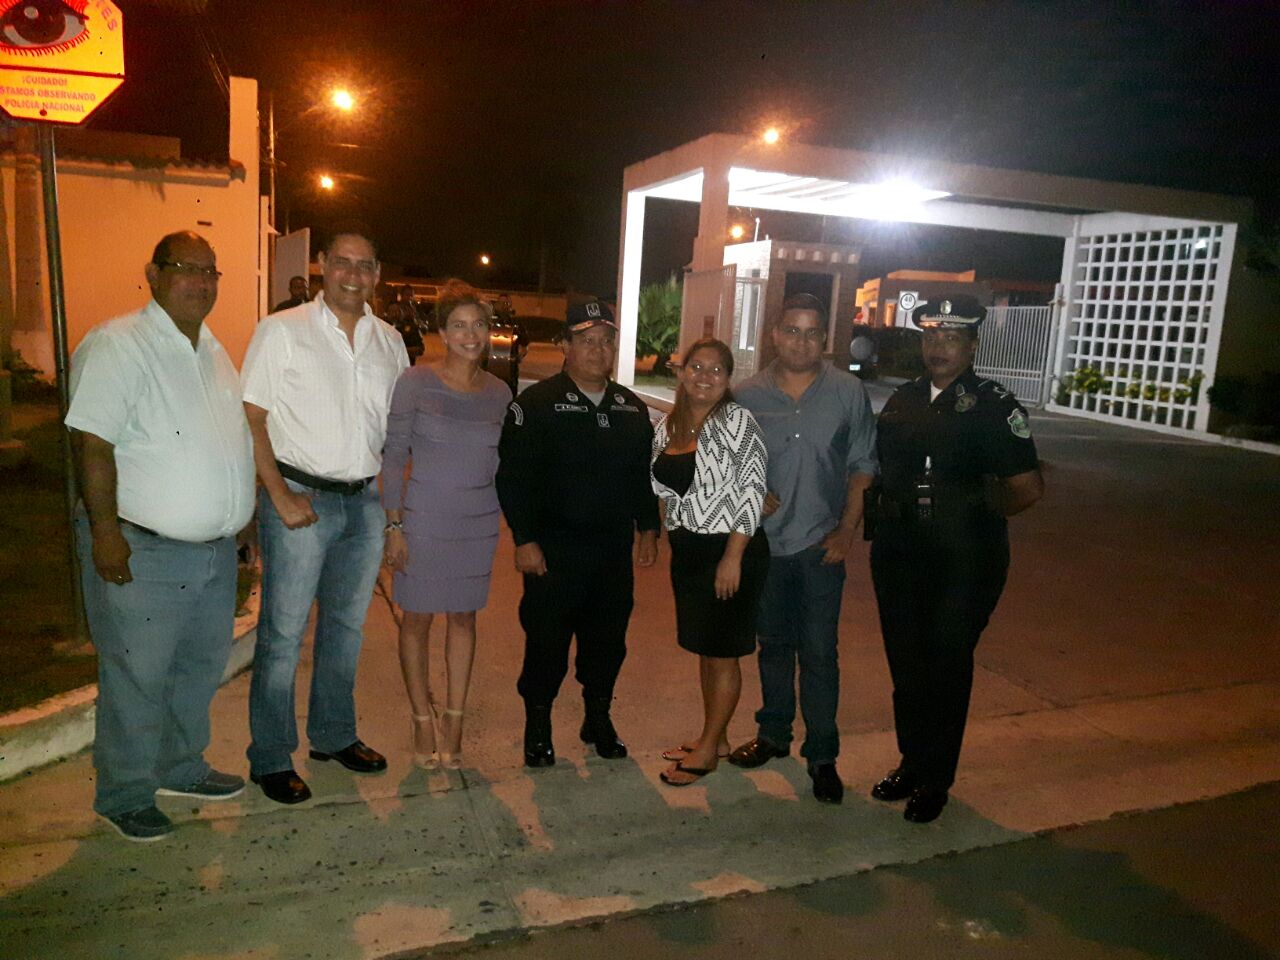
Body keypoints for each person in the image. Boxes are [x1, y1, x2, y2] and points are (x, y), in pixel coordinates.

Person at [66, 231, 255, 841]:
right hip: (142, 547)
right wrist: (104, 533)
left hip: (211, 553)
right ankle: (123, 793)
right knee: (136, 677)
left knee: (196, 671)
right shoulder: (119, 344)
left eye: (210, 271)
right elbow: (92, 444)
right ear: (153, 274)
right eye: (185, 268)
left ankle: (179, 767)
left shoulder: (212, 350)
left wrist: (239, 517)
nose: (201, 281)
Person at [240, 224, 409, 804]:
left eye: (364, 265)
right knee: (284, 634)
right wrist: (278, 496)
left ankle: (333, 735)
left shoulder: (390, 342)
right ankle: (270, 757)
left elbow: (397, 433)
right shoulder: (283, 330)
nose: (352, 275)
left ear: (377, 274)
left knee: (346, 629)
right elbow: (252, 416)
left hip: (363, 503)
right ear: (321, 264)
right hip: (300, 498)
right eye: (342, 262)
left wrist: (393, 512)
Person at [868, 295, 1043, 823]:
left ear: (972, 345)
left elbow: (1026, 488)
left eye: (950, 337)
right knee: (906, 664)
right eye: (930, 336)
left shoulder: (993, 405)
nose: (938, 346)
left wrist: (972, 518)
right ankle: (911, 762)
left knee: (945, 665)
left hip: (963, 559)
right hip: (899, 553)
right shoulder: (903, 399)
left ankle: (935, 779)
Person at [729, 293, 878, 805]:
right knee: (772, 646)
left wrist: (847, 531)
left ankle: (822, 755)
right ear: (775, 334)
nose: (801, 342)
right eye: (792, 330)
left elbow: (863, 464)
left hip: (821, 547)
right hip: (766, 547)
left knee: (819, 653)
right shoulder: (747, 395)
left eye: (812, 333)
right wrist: (751, 492)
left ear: (825, 339)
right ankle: (773, 734)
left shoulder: (847, 392)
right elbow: (730, 464)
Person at [497, 299, 659, 767]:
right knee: (546, 642)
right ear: (565, 345)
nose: (597, 350)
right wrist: (524, 539)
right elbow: (513, 478)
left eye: (606, 341)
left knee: (607, 642)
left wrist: (649, 527)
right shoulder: (536, 405)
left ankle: (598, 718)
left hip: (611, 552)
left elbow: (641, 476)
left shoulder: (630, 408)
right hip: (554, 552)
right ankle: (538, 725)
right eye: (586, 340)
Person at [382, 280, 511, 770]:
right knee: (416, 619)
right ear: (442, 332)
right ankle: (421, 718)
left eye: (478, 325)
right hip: (423, 520)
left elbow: (505, 463)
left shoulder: (500, 392)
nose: (470, 335)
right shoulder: (415, 382)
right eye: (459, 325)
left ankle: (454, 719)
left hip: (478, 521)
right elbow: (394, 456)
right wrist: (393, 525)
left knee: (463, 618)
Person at [650, 339, 769, 786]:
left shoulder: (738, 421)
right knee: (706, 648)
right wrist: (665, 534)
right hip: (690, 552)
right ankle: (714, 738)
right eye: (696, 367)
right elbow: (660, 488)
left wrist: (732, 558)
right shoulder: (668, 426)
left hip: (730, 551)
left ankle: (708, 752)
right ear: (681, 372)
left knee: (723, 654)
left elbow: (753, 492)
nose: (704, 376)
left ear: (728, 378)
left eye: (715, 369)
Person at [386, 285, 425, 364]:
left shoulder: (413, 309)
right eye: (407, 295)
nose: (409, 297)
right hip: (400, 344)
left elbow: (417, 324)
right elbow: (392, 324)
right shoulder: (395, 308)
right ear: (402, 295)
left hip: (411, 344)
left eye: (411, 295)